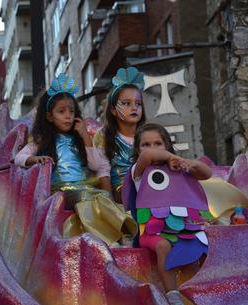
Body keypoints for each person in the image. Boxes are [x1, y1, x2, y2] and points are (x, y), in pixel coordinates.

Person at [14, 73, 136, 245]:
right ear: (49, 116)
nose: (68, 116)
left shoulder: (78, 140)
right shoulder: (42, 141)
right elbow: (19, 158)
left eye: (72, 111)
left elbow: (95, 164)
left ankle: (120, 233)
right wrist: (35, 159)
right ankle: (109, 238)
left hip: (81, 187)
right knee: (89, 195)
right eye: (62, 111)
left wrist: (85, 136)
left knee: (102, 195)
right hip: (60, 189)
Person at [121, 123, 212, 305]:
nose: (151, 149)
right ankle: (173, 296)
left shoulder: (176, 168)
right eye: (145, 144)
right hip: (151, 233)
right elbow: (148, 157)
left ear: (167, 145)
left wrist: (189, 163)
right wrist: (171, 156)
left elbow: (206, 173)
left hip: (182, 229)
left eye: (157, 143)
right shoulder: (138, 172)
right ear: (137, 150)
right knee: (163, 246)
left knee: (206, 242)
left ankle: (206, 289)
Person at [93, 67, 146, 203]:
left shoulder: (147, 134)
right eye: (127, 103)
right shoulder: (104, 135)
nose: (134, 108)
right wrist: (109, 203)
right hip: (121, 193)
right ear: (113, 110)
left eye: (138, 104)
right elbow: (102, 171)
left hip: (150, 187)